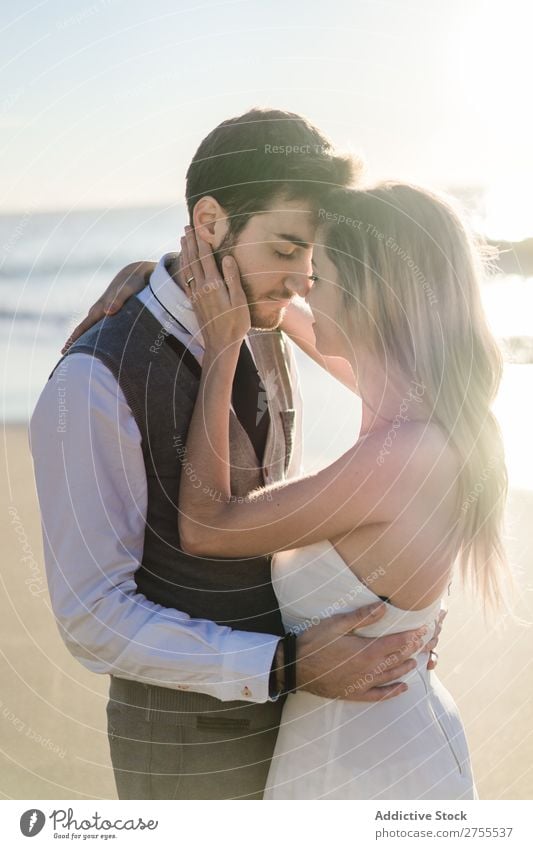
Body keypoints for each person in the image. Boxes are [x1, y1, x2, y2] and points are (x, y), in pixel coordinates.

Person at [30, 109, 442, 801]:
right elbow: (91, 618)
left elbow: (424, 396)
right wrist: (283, 665)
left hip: (311, 731)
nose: (301, 279)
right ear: (212, 222)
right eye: (284, 248)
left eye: (313, 255)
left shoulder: (264, 318)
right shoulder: (92, 383)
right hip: (191, 754)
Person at [163, 183, 509, 798]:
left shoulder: (402, 455)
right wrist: (157, 279)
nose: (300, 286)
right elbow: (274, 308)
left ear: (367, 294)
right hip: (354, 751)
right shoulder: (416, 409)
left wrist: (222, 349)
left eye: (316, 274)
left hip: (370, 772)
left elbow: (206, 527)